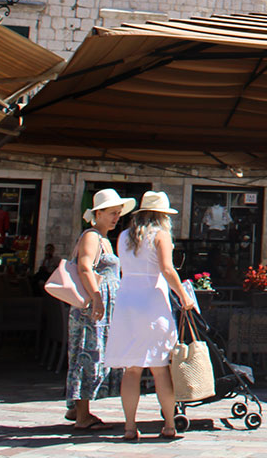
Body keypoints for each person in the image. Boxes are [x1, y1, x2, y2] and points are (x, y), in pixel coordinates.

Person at [108, 191, 197, 442]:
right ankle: (169, 424)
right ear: (163, 216)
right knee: (160, 369)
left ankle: (128, 426)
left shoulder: (124, 236)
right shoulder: (161, 235)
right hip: (152, 302)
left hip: (127, 302)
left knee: (132, 370)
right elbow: (167, 269)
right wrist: (183, 295)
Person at [66, 188, 134, 432]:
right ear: (98, 213)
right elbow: (85, 267)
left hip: (102, 306)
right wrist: (97, 298)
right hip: (93, 308)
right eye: (112, 213)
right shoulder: (92, 236)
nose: (117, 217)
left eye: (118, 213)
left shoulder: (104, 238)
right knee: (88, 355)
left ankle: (78, 407)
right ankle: (82, 415)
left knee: (94, 355)